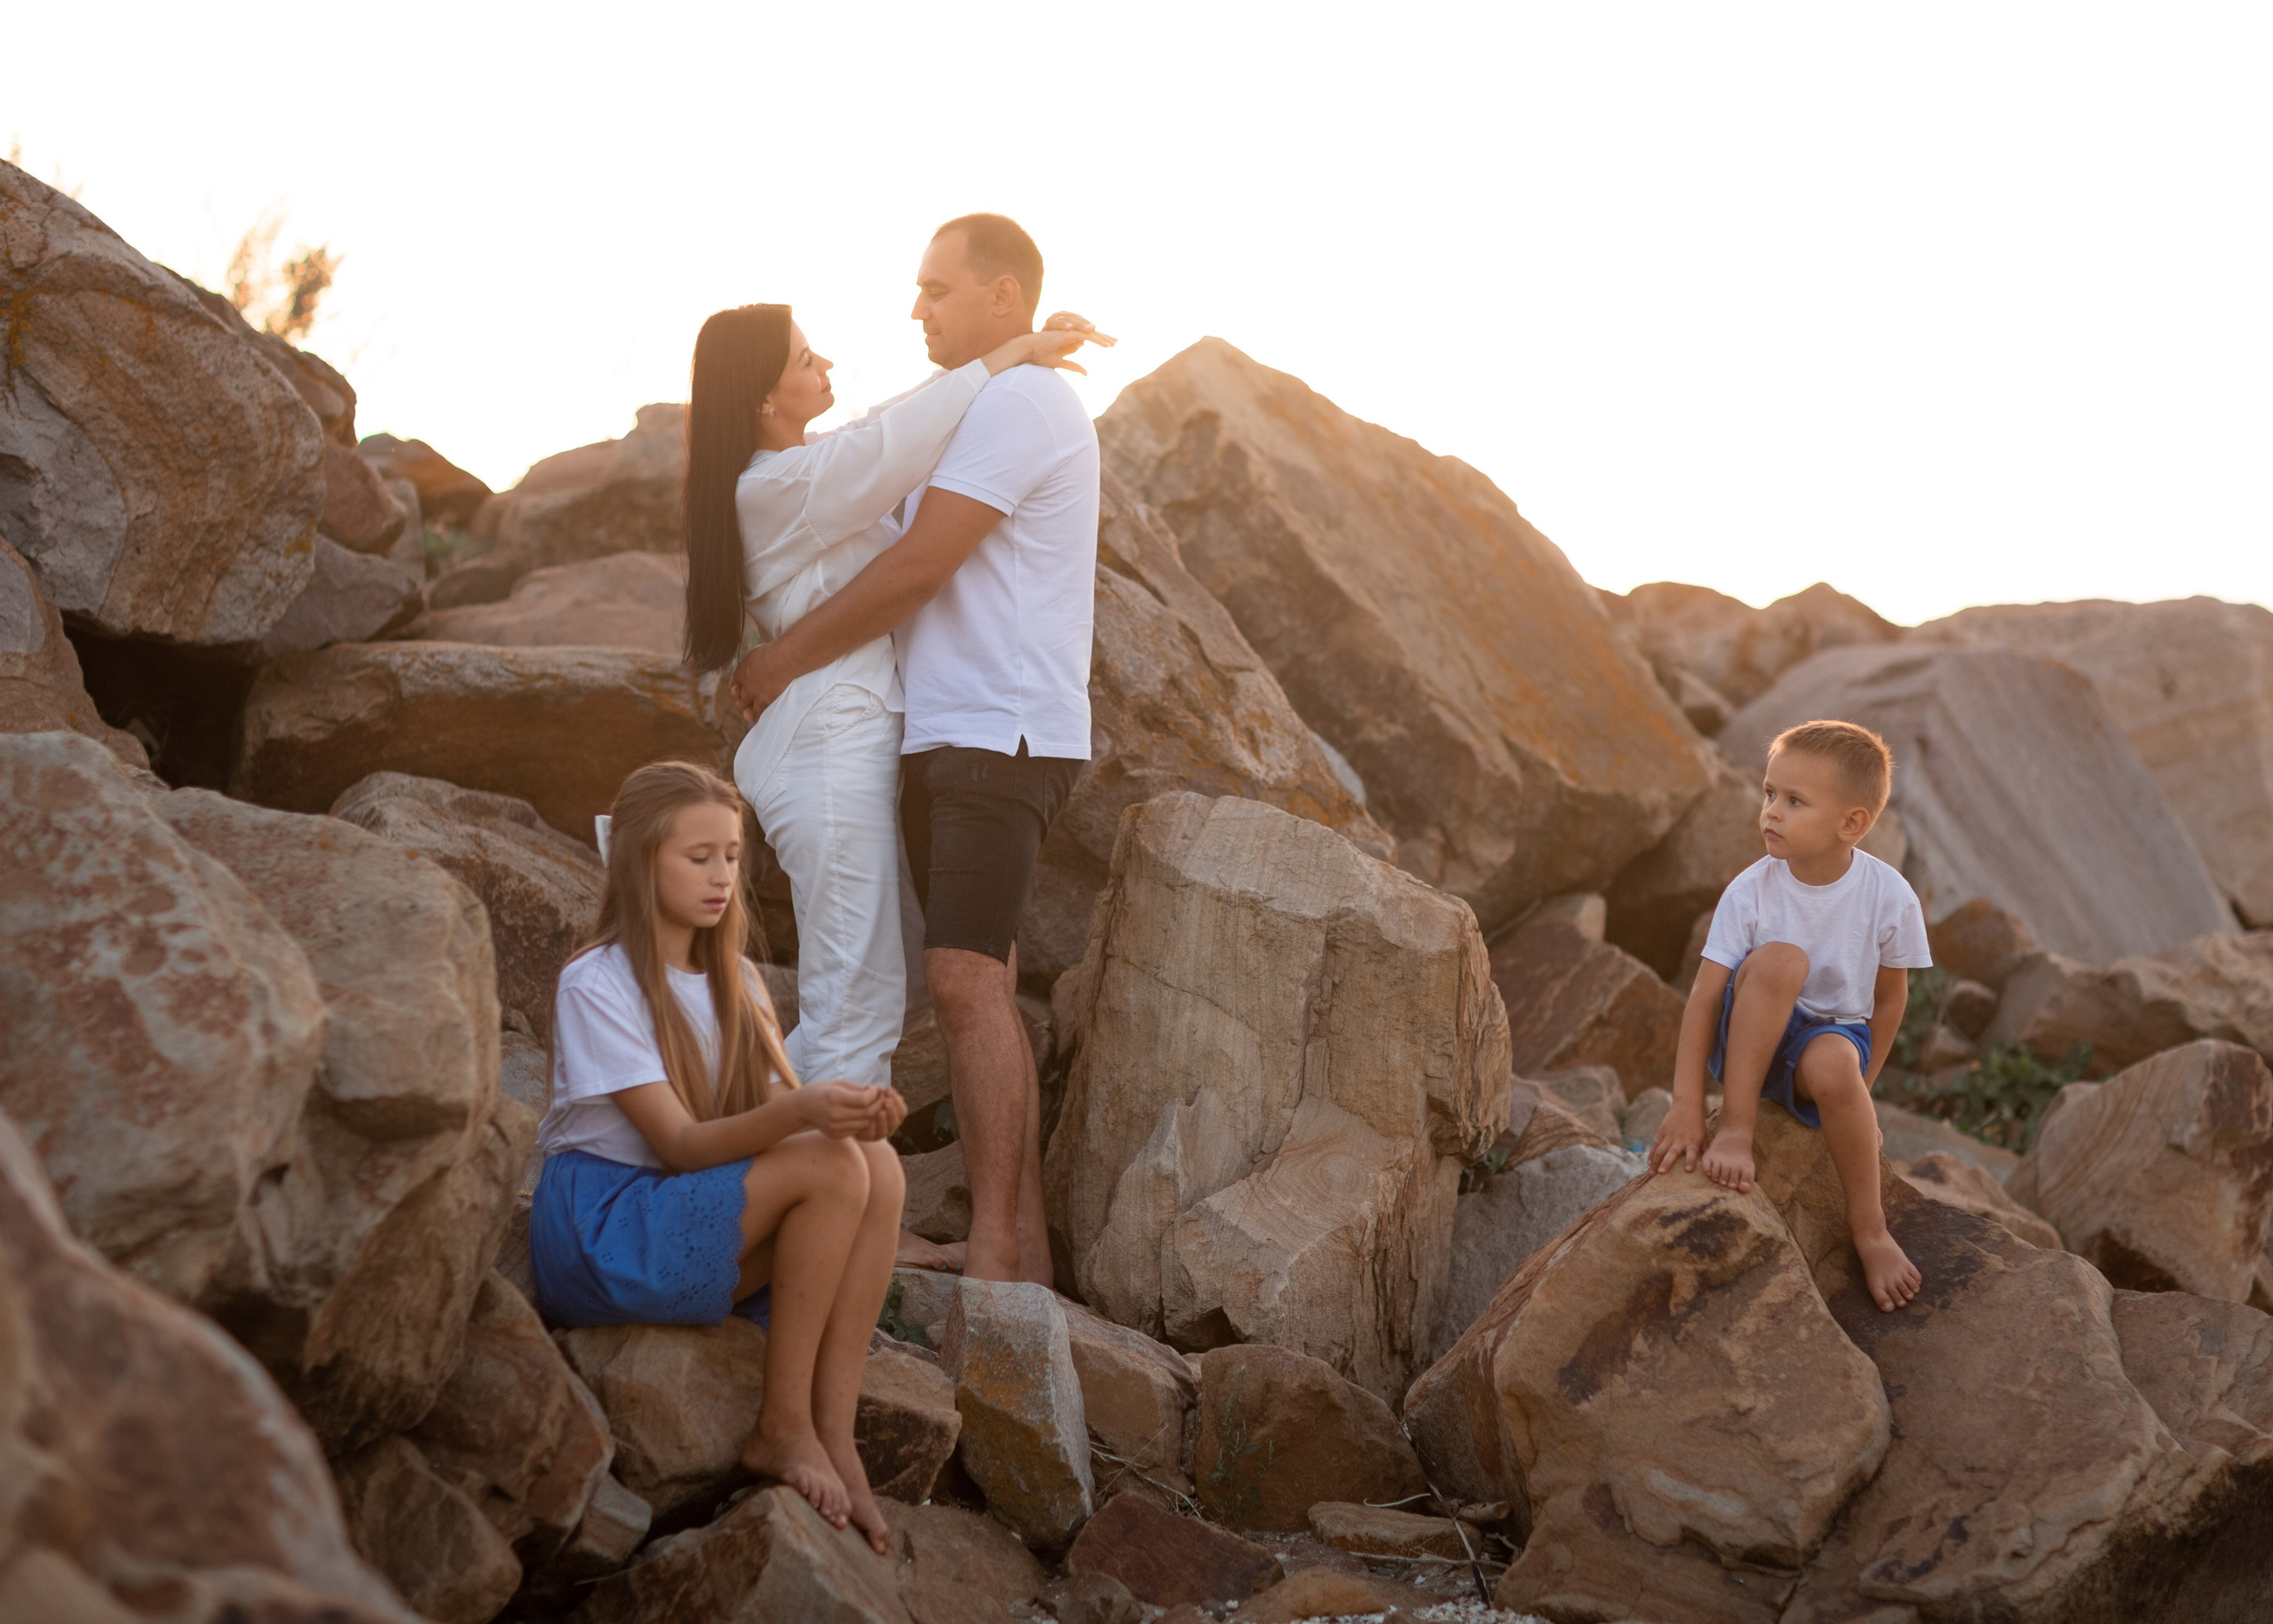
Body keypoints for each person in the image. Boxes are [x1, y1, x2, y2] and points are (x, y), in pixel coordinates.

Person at [680, 295, 1105, 1272]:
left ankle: (827, 1201)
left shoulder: (791, 475)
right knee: (857, 988)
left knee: (872, 977)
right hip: (824, 746)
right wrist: (1010, 353)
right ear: (761, 398)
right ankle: (816, 1227)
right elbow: (894, 444)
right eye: (801, 359)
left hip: (843, 742)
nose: (824, 364)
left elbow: (883, 433)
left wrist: (1002, 357)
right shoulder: (777, 486)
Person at [526, 760, 908, 1550]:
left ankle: (833, 1432)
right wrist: (805, 1111)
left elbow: (774, 1120)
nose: (721, 876)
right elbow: (679, 1142)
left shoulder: (736, 981)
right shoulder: (595, 982)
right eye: (697, 856)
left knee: (879, 1166)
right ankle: (781, 1423)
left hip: (685, 1203)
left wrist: (851, 1114)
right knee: (830, 1163)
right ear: (640, 860)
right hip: (607, 1225)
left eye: (732, 855)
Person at [1647, 719, 1932, 1312]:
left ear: (1851, 823)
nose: (1771, 811)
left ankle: (1871, 1231)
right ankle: (1738, 1127)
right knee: (1780, 962)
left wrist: (1859, 1096)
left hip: (1828, 1038)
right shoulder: (1752, 890)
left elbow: (1888, 1002)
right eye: (1769, 793)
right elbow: (1704, 997)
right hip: (1752, 1030)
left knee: (1834, 1064)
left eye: (1794, 801)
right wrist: (1685, 1103)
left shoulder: (1889, 896)